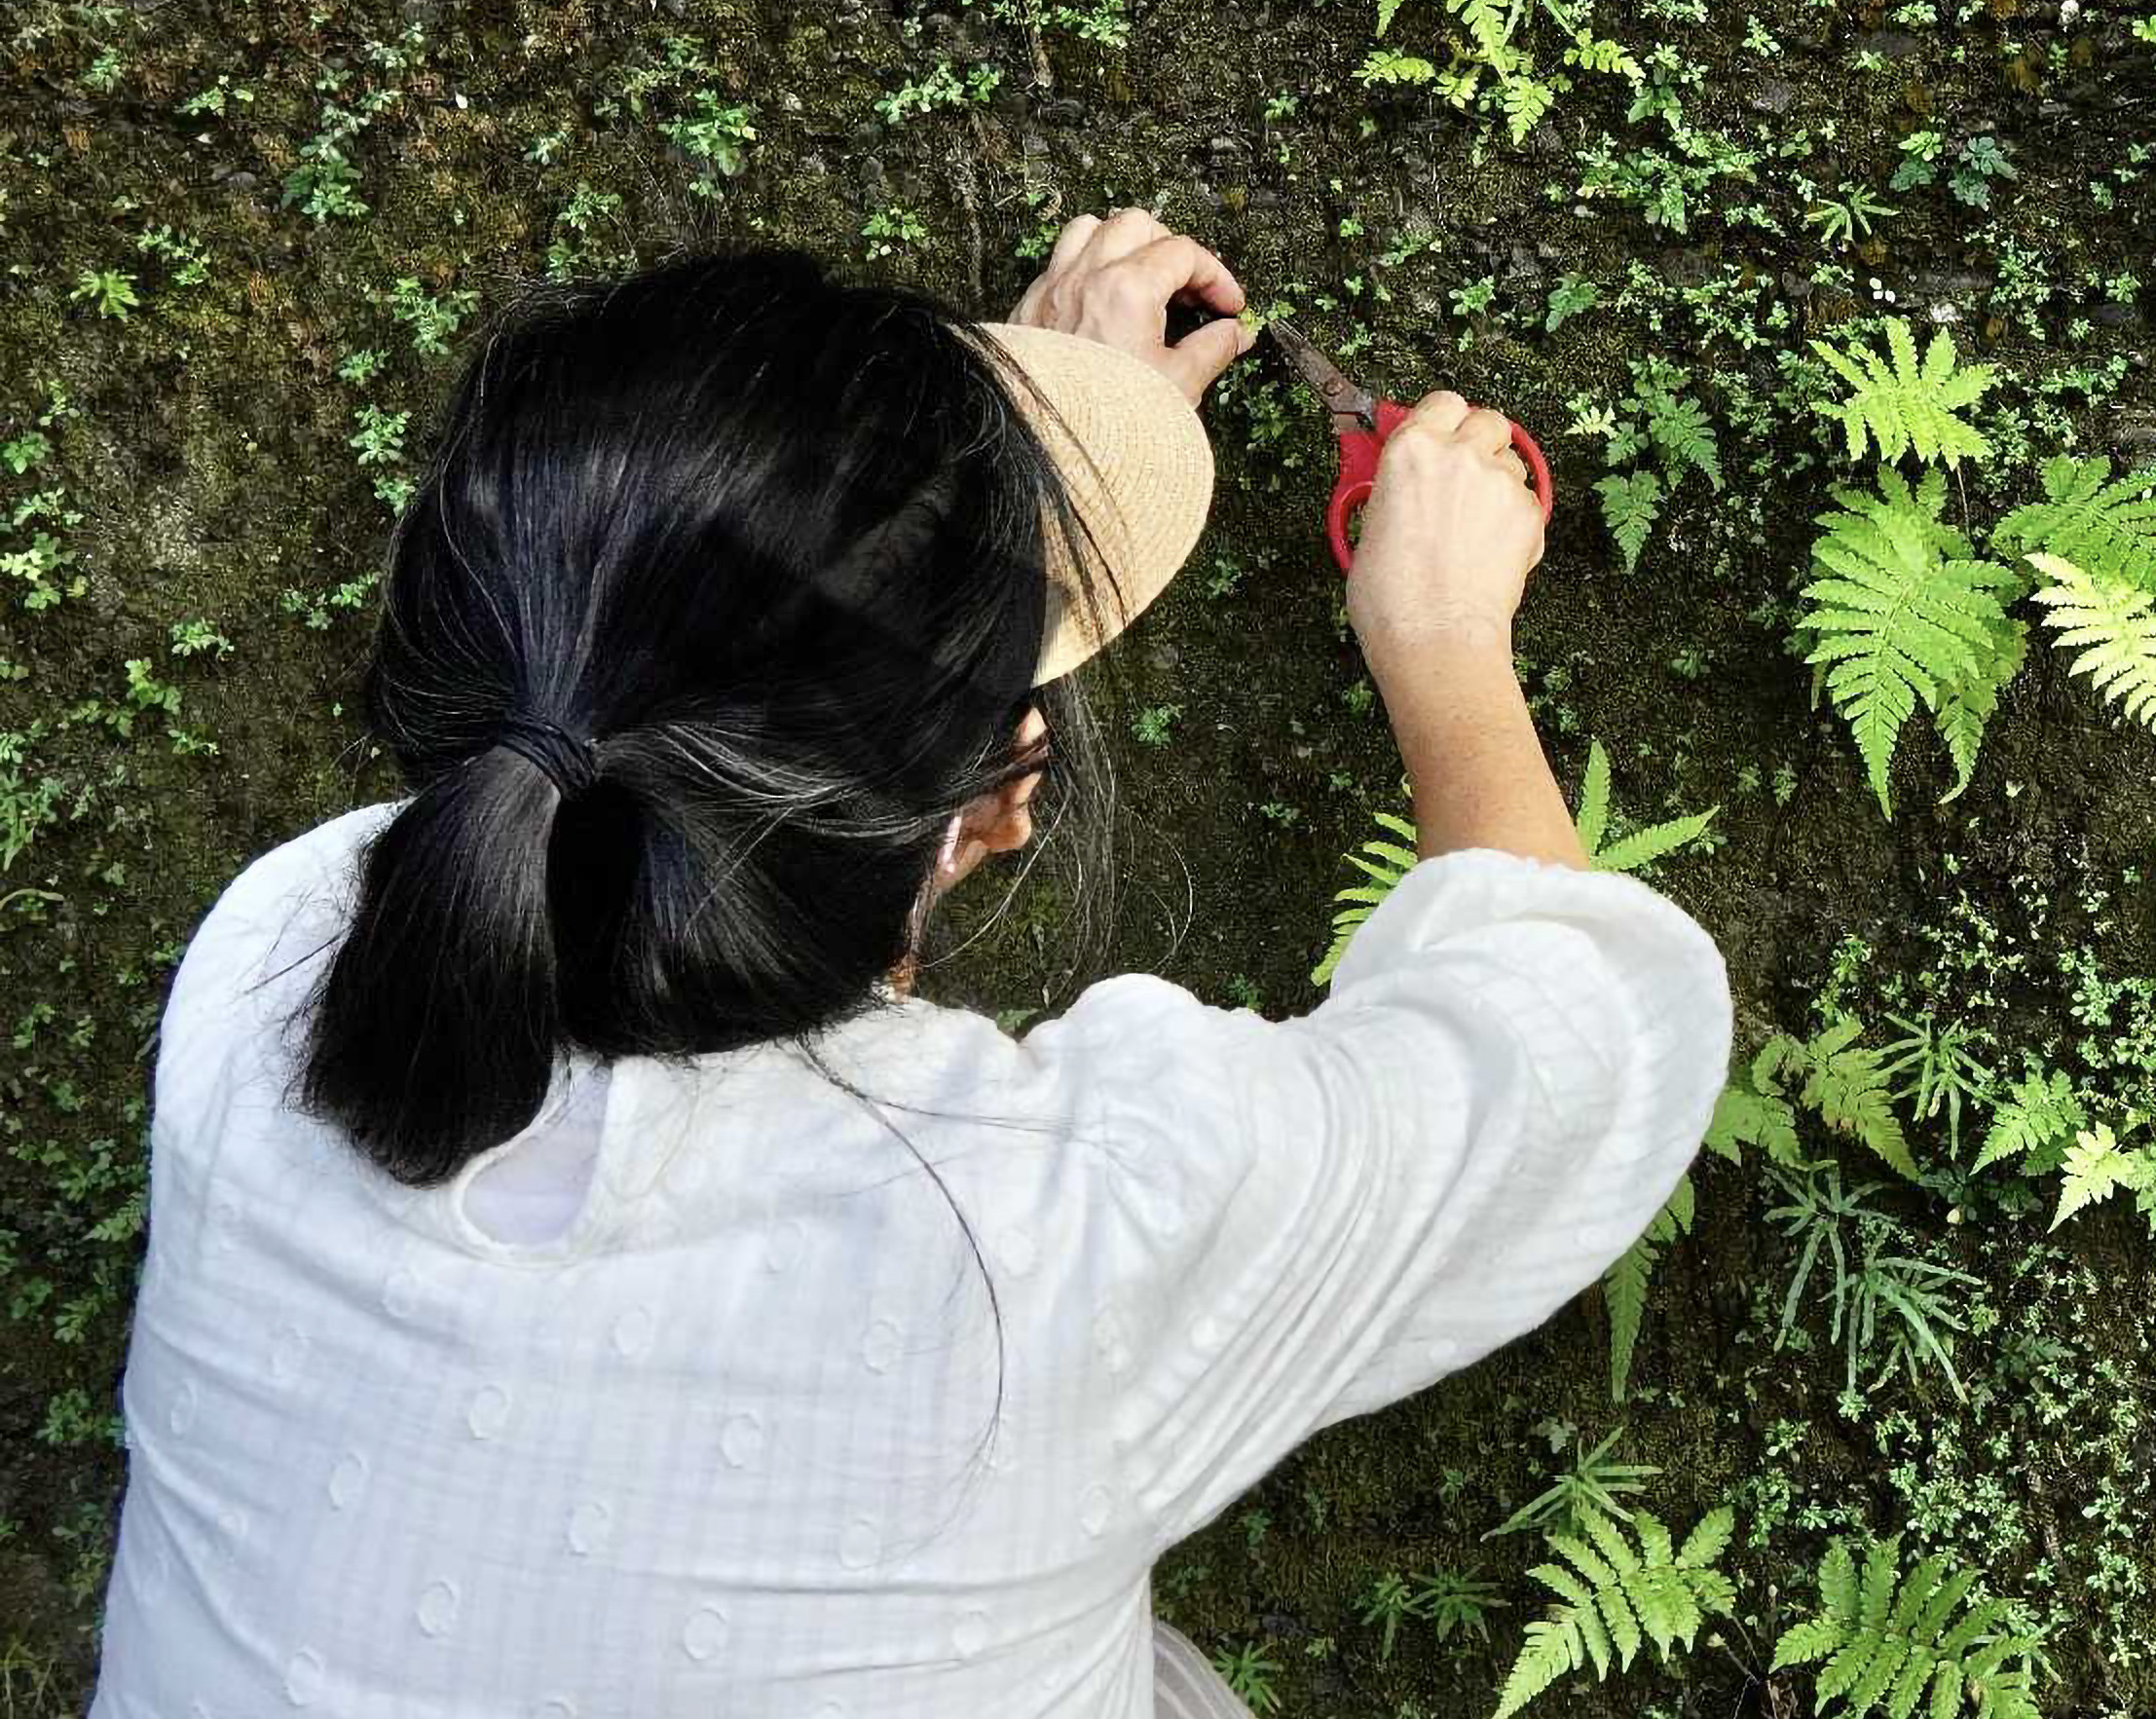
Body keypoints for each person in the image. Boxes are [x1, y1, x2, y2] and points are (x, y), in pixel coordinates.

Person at [88, 211, 1731, 1717]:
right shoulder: (1060, 1239)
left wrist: (993, 487)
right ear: (1002, 800)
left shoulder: (276, 955)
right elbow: (1568, 1036)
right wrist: (1441, 635)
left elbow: (673, 728)